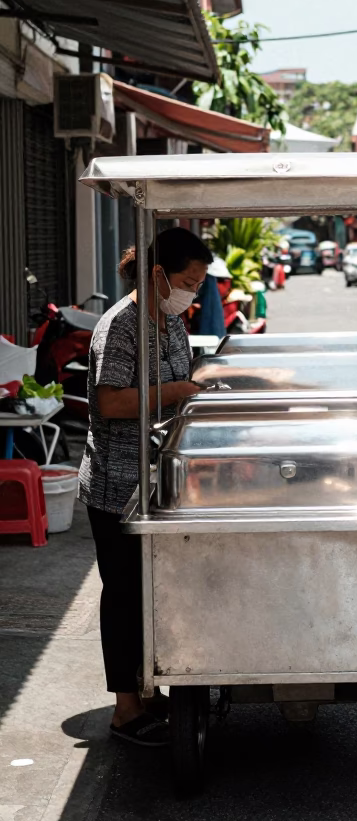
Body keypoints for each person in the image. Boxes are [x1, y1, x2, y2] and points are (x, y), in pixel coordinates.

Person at [78, 227, 212, 747]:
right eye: (186, 281)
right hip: (119, 486)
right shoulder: (122, 325)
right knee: (126, 595)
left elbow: (186, 375)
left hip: (165, 483)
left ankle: (156, 686)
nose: (191, 293)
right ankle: (127, 710)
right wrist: (179, 390)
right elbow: (109, 402)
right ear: (158, 274)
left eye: (198, 284)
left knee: (164, 591)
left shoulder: (171, 320)